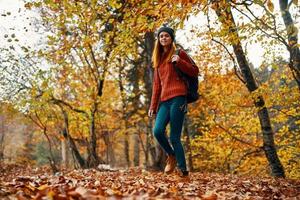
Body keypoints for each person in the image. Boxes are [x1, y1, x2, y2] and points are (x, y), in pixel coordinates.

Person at [148, 26, 199, 177]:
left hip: (179, 98)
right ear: (158, 39)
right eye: (161, 36)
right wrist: (153, 106)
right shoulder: (158, 60)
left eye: (166, 36)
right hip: (164, 101)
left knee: (174, 137)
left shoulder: (179, 53)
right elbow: (157, 85)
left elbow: (195, 71)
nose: (164, 38)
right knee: (157, 131)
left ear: (171, 38)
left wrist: (180, 62)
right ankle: (171, 155)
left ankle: (183, 172)